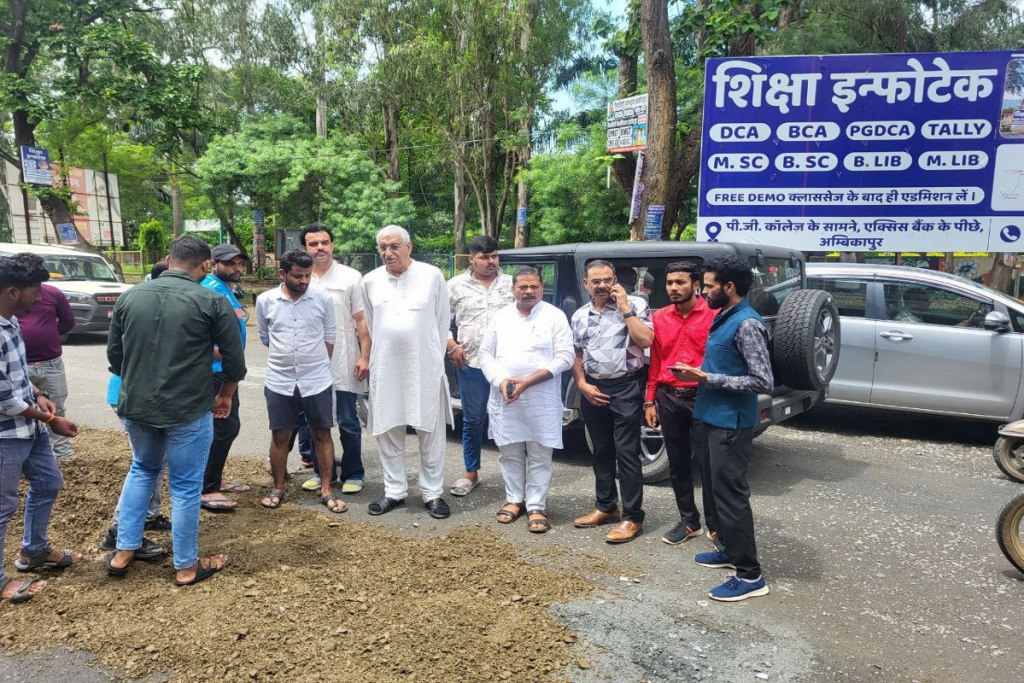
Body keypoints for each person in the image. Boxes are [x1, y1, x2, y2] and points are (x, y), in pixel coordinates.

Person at [105, 235, 244, 586]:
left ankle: (123, 552)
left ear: (168, 260)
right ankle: (185, 566)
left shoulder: (130, 297)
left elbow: (115, 358)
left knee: (142, 468)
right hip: (187, 407)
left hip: (136, 404)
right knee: (184, 485)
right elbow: (235, 362)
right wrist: (225, 394)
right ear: (205, 267)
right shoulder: (211, 301)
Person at [672, 256, 772, 602]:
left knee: (731, 498)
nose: (705, 291)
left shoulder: (747, 324)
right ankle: (728, 550)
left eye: (711, 286)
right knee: (714, 493)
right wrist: (699, 370)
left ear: (729, 287)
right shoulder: (724, 317)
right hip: (711, 418)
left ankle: (749, 575)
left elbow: (762, 380)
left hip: (731, 424)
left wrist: (706, 377)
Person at [0, 253, 81, 604]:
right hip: (6, 434)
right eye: (35, 290)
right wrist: (51, 419)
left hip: (26, 430)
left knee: (49, 481)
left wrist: (41, 394)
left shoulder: (12, 323)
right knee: (2, 506)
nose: (40, 296)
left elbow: (18, 378)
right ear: (13, 291)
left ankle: (33, 551)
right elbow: (4, 400)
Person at [361, 225, 452, 519]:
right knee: (388, 430)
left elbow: (441, 323)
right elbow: (372, 325)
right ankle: (394, 491)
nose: (388, 253)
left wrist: (433, 362)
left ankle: (433, 494)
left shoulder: (432, 276)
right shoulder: (370, 281)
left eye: (394, 246)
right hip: (386, 367)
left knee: (431, 431)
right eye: (382, 248)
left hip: (424, 368)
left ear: (409, 247)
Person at [478, 267, 573, 533]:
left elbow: (565, 357)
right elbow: (485, 355)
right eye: (523, 287)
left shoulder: (555, 316)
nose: (529, 291)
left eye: (534, 286)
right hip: (505, 395)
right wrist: (501, 381)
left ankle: (536, 506)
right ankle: (514, 500)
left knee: (541, 452)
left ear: (542, 288)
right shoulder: (500, 317)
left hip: (541, 396)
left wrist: (526, 382)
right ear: (513, 289)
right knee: (509, 451)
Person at [570, 259, 653, 544]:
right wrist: (581, 384)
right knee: (601, 450)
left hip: (626, 386)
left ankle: (632, 517)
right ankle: (606, 506)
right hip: (593, 389)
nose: (602, 285)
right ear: (586, 284)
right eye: (596, 281)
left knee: (627, 452)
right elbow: (577, 353)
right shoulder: (580, 315)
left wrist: (625, 308)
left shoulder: (637, 305)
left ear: (615, 279)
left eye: (607, 280)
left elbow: (645, 341)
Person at [256, 249, 344, 513]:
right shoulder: (265, 301)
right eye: (298, 276)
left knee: (322, 433)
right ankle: (278, 487)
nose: (304, 281)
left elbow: (330, 338)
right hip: (279, 380)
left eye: (307, 275)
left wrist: (311, 364)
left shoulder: (322, 300)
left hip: (316, 380)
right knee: (280, 435)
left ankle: (327, 489)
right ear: (282, 274)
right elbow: (265, 337)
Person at [644, 262, 716, 545]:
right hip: (669, 397)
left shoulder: (714, 315)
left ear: (696, 285)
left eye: (680, 282)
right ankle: (689, 521)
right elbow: (656, 361)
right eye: (670, 282)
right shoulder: (659, 317)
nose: (674, 287)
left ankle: (715, 524)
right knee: (677, 463)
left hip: (704, 397)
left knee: (709, 463)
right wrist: (649, 400)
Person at [298, 223, 370, 495]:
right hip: (310, 364)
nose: (320, 248)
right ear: (305, 247)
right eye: (313, 244)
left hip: (344, 359)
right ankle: (322, 471)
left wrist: (365, 356)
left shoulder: (350, 277)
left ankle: (353, 472)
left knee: (348, 421)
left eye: (324, 242)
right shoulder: (301, 277)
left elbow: (362, 321)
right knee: (315, 421)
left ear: (332, 245)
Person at [446, 235, 514, 497]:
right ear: (471, 259)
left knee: (510, 419)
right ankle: (470, 473)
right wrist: (452, 346)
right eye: (484, 257)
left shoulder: (511, 284)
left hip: (507, 365)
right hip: (471, 364)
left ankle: (514, 475)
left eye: (494, 256)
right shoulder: (454, 286)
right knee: (474, 419)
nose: (491, 262)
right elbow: (438, 320)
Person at [198, 244, 250, 512]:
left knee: (225, 428)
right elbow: (196, 335)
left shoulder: (224, 288)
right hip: (216, 374)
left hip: (226, 372)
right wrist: (220, 354)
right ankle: (207, 488)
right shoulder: (209, 289)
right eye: (230, 264)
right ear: (212, 263)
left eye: (239, 263)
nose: (236, 268)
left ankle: (214, 480)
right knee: (222, 429)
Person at [17, 282, 75, 459]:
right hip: (22, 364)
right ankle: (33, 454)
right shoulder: (12, 295)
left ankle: (64, 454)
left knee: (56, 408)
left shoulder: (52, 293)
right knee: (22, 409)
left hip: (51, 363)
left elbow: (67, 321)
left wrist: (49, 332)